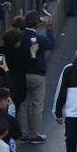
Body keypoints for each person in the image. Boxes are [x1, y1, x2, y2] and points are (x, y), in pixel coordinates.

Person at [18, 10, 55, 144]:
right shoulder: (38, 38)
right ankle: (35, 134)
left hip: (21, 75)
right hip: (37, 74)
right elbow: (51, 44)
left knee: (23, 104)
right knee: (37, 104)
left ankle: (23, 133)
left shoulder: (20, 36)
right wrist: (49, 29)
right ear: (37, 23)